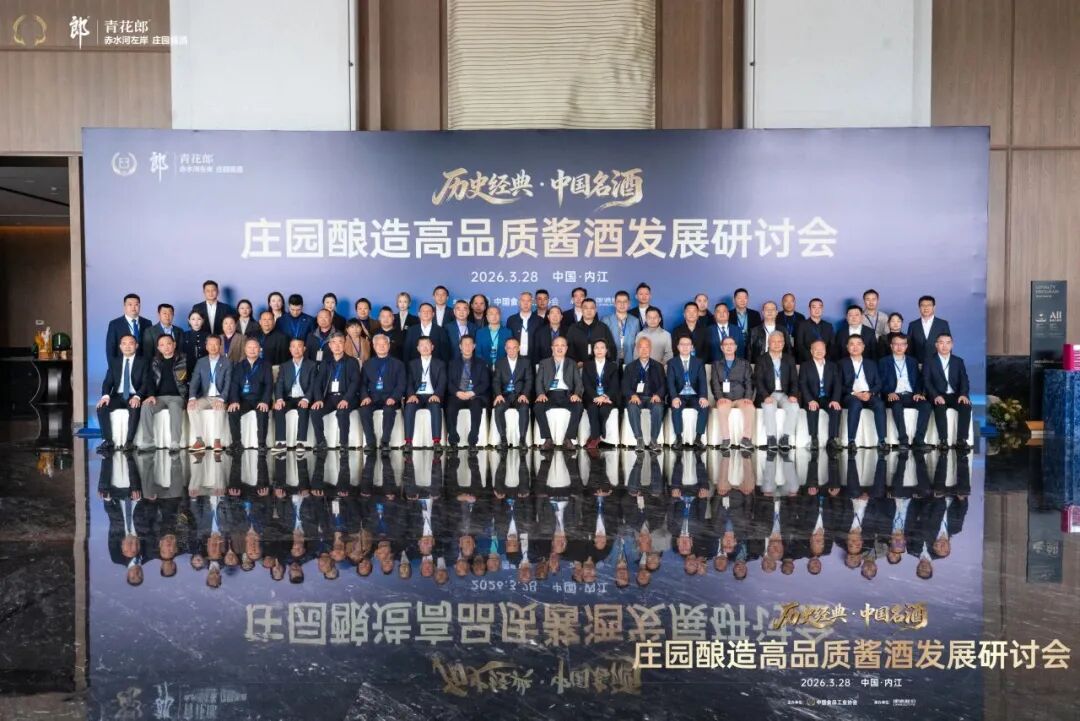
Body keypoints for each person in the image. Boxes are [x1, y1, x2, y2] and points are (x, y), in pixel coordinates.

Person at [879, 333, 932, 450]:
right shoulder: (884, 361)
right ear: (891, 346)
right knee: (897, 406)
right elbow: (880, 382)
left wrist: (918, 393)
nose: (899, 347)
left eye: (902, 344)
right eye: (896, 344)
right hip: (894, 395)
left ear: (906, 346)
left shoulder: (912, 361)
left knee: (926, 405)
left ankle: (919, 440)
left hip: (911, 395)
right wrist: (889, 393)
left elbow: (918, 380)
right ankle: (903, 440)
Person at [310, 333, 361, 451]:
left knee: (342, 411)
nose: (337, 346)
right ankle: (321, 442)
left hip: (347, 397)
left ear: (345, 344)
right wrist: (318, 399)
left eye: (340, 342)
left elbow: (355, 382)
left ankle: (344, 443)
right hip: (329, 397)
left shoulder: (352, 361)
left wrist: (346, 399)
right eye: (334, 342)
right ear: (330, 345)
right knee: (315, 411)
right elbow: (317, 382)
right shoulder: (325, 362)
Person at [137, 334, 189, 452]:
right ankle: (148, 441)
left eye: (169, 343)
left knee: (174, 407)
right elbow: (149, 380)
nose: (166, 347)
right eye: (162, 345)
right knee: (146, 406)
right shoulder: (155, 361)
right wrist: (151, 395)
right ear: (158, 348)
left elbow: (191, 379)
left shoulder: (184, 359)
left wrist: (190, 397)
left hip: (178, 396)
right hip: (159, 397)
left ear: (174, 345)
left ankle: (175, 442)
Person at [96, 334, 147, 453]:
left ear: (136, 346)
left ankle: (129, 442)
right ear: (120, 346)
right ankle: (107, 440)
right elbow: (107, 382)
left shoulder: (143, 362)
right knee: (102, 407)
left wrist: (138, 396)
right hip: (117, 396)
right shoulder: (114, 362)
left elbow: (146, 382)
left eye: (131, 343)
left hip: (133, 395)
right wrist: (105, 396)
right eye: (124, 343)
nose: (127, 346)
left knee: (134, 407)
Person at [921, 333, 972, 451]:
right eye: (941, 342)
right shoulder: (929, 361)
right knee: (940, 406)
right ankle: (943, 440)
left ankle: (962, 440)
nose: (944, 346)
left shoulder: (958, 361)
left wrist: (963, 394)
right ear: (936, 345)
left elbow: (964, 380)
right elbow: (926, 381)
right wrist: (935, 395)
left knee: (966, 405)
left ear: (952, 345)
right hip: (938, 394)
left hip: (955, 395)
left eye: (948, 343)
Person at [533, 337, 584, 451]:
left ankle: (568, 439)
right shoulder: (544, 363)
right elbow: (539, 381)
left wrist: (577, 394)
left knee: (579, 406)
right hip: (549, 394)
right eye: (557, 345)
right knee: (538, 407)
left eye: (562, 345)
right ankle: (548, 439)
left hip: (567, 395)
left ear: (566, 348)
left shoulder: (572, 363)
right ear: (552, 348)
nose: (559, 348)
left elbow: (578, 383)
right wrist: (540, 394)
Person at [838, 335, 887, 452]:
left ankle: (882, 441)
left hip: (868, 394)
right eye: (852, 344)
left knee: (880, 404)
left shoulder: (871, 363)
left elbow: (878, 383)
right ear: (847, 347)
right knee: (856, 404)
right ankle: (851, 441)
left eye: (858, 344)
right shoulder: (841, 363)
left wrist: (870, 393)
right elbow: (839, 385)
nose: (855, 347)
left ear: (863, 347)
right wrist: (854, 393)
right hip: (851, 395)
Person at [358, 334, 406, 452]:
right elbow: (362, 384)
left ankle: (385, 441)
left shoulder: (398, 364)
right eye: (378, 344)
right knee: (364, 410)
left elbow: (401, 384)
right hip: (372, 398)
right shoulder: (367, 364)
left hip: (390, 398)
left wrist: (394, 398)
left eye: (384, 344)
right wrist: (365, 397)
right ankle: (370, 442)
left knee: (389, 410)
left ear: (389, 346)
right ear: (374, 346)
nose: (381, 346)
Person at [754, 331, 799, 450]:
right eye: (774, 342)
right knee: (769, 407)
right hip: (769, 394)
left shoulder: (789, 359)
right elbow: (758, 380)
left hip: (785, 394)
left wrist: (793, 394)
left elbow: (794, 380)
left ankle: (785, 437)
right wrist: (765, 396)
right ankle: (771, 437)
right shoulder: (761, 359)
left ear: (783, 344)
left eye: (780, 342)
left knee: (794, 407)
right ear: (769, 343)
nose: (777, 344)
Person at [271, 339, 318, 453]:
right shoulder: (284, 366)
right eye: (293, 346)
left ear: (304, 349)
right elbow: (279, 384)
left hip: (303, 397)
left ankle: (301, 442)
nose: (296, 349)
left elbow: (313, 385)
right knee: (279, 408)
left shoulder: (311, 365)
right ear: (290, 349)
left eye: (299, 346)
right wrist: (279, 399)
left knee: (303, 408)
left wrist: (306, 399)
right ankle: (281, 442)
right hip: (289, 397)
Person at [187, 335, 231, 452]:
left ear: (220, 346)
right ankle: (199, 440)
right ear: (206, 346)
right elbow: (194, 381)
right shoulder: (201, 362)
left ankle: (217, 440)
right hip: (205, 397)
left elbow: (228, 383)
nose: (213, 347)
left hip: (220, 397)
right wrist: (192, 398)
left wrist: (222, 399)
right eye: (210, 344)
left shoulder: (227, 362)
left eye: (216, 344)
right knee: (191, 407)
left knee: (219, 408)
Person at [227, 338, 273, 451]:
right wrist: (234, 401)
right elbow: (234, 385)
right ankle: (236, 443)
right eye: (249, 347)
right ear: (245, 349)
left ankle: (262, 443)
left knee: (262, 411)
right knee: (233, 410)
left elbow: (269, 385)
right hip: (244, 400)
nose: (252, 350)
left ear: (259, 349)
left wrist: (265, 401)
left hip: (260, 399)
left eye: (255, 347)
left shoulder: (266, 365)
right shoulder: (238, 366)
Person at [445, 336, 490, 450]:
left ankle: (473, 440)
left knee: (476, 407)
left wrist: (472, 392)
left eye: (470, 344)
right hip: (457, 394)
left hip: (474, 395)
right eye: (465, 344)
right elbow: (449, 382)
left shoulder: (481, 363)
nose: (467, 347)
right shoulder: (452, 363)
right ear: (460, 347)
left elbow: (485, 383)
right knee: (450, 407)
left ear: (474, 346)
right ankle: (453, 439)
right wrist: (457, 392)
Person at [623, 337, 666, 453]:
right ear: (637, 349)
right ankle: (639, 439)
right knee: (632, 407)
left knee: (658, 407)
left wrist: (658, 395)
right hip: (637, 398)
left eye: (646, 347)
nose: (644, 350)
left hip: (652, 397)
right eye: (641, 347)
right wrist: (632, 395)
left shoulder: (658, 366)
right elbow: (625, 386)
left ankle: (653, 440)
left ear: (650, 349)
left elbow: (663, 385)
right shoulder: (630, 367)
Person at [710, 336, 754, 448]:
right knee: (722, 408)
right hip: (725, 398)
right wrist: (719, 398)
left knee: (750, 408)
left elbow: (749, 382)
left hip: (741, 398)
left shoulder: (744, 363)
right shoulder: (716, 364)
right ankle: (726, 439)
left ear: (736, 347)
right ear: (722, 348)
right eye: (726, 344)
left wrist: (748, 398)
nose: (729, 347)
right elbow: (715, 383)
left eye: (731, 344)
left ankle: (746, 439)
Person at [403, 336, 446, 450]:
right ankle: (408, 442)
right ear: (418, 348)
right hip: (417, 395)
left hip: (433, 395)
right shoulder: (412, 364)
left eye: (427, 345)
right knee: (409, 407)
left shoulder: (440, 364)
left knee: (435, 406)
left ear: (432, 347)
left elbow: (442, 381)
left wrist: (437, 394)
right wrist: (411, 395)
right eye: (422, 345)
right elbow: (409, 382)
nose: (425, 347)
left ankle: (436, 442)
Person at [797, 339, 842, 450]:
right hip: (811, 397)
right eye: (816, 349)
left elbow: (837, 384)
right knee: (813, 409)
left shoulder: (832, 366)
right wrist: (809, 400)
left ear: (825, 351)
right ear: (811, 351)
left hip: (827, 398)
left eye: (822, 349)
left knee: (836, 409)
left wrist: (835, 399)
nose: (819, 351)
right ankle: (814, 439)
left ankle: (832, 439)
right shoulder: (805, 366)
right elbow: (803, 384)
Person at [666, 336, 709, 450]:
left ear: (692, 347)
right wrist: (674, 397)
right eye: (682, 344)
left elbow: (702, 381)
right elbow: (670, 382)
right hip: (679, 396)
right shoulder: (672, 363)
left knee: (704, 407)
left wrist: (703, 396)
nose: (685, 347)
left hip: (694, 396)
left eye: (688, 344)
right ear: (678, 347)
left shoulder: (698, 362)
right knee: (676, 407)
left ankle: (698, 438)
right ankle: (679, 438)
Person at [491, 337, 532, 449]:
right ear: (505, 349)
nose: (512, 351)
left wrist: (524, 394)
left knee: (524, 408)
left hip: (520, 395)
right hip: (505, 395)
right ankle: (503, 440)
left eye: (514, 348)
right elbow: (496, 381)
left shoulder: (526, 362)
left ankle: (522, 440)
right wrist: (498, 394)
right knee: (498, 408)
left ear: (518, 348)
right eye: (509, 348)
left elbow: (529, 380)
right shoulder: (500, 363)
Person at [581, 338, 620, 449]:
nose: (599, 350)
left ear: (606, 350)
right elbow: (586, 384)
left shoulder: (613, 366)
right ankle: (597, 436)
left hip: (608, 397)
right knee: (593, 408)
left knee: (603, 409)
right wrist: (596, 397)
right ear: (593, 350)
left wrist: (604, 396)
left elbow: (614, 385)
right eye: (596, 348)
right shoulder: (587, 365)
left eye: (602, 348)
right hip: (591, 397)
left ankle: (595, 435)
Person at [566, 298, 615, 364]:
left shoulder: (603, 327)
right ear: (581, 310)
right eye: (586, 308)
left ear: (595, 310)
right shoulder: (573, 328)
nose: (589, 311)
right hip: (579, 367)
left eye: (592, 308)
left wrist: (605, 363)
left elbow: (611, 347)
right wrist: (576, 362)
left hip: (599, 366)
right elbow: (569, 349)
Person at [106, 293, 152, 360]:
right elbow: (111, 348)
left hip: (143, 363)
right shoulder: (114, 324)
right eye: (130, 304)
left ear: (140, 306)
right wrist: (113, 365)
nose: (133, 307)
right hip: (122, 363)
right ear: (124, 306)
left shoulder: (147, 323)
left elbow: (150, 346)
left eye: (136, 304)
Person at [906, 295, 951, 363]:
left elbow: (948, 345)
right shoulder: (913, 325)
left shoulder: (943, 324)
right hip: (918, 364)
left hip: (938, 364)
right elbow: (909, 347)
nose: (926, 308)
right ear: (919, 308)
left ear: (934, 307)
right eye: (923, 305)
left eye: (929, 305)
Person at [601, 290, 642, 365]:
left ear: (629, 304)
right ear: (615, 303)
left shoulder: (635, 321)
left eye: (625, 302)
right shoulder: (606, 320)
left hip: (630, 361)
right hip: (611, 361)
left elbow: (638, 343)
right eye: (619, 302)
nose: (622, 304)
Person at [795, 298, 835, 364]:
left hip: (825, 362)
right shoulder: (802, 325)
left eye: (819, 307)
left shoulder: (828, 326)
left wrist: (824, 359)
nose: (817, 310)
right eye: (814, 307)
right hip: (807, 361)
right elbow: (799, 345)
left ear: (822, 309)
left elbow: (832, 345)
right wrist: (812, 359)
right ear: (809, 309)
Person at [506, 291, 541, 360]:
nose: (526, 303)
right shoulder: (511, 320)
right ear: (519, 302)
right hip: (515, 358)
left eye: (528, 301)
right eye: (523, 301)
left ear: (532, 303)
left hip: (533, 358)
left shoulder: (539, 320)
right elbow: (508, 340)